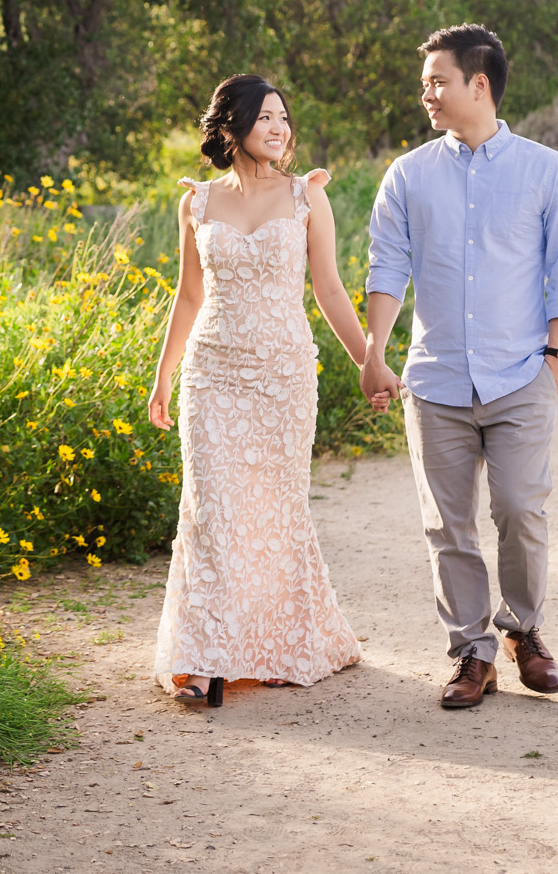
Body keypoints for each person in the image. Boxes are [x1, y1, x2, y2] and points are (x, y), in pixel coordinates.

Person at [361, 25, 558, 709]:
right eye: (425, 82)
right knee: (448, 525)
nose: (426, 93)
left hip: (520, 374)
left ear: (479, 84)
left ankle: (523, 630)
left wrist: (554, 354)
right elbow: (387, 268)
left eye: (438, 80)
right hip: (434, 383)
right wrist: (375, 353)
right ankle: (471, 653)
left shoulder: (546, 170)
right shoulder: (408, 174)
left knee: (521, 508)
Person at [147, 74, 390, 707]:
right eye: (265, 117)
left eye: (285, 117)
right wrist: (163, 375)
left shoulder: (307, 196)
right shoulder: (196, 202)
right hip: (213, 375)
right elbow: (190, 294)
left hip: (283, 375)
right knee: (212, 509)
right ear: (231, 128)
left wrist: (370, 362)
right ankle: (203, 659)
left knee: (275, 509)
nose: (279, 128)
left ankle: (279, 646)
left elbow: (330, 290)